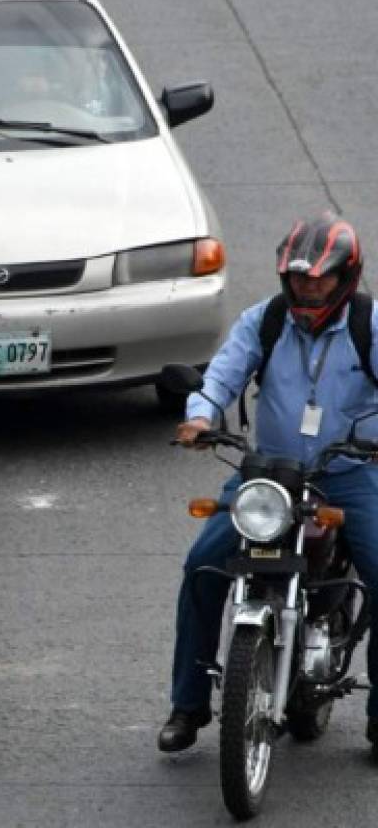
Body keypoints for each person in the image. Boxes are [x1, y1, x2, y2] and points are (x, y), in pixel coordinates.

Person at [159, 212, 378, 752]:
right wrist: (201, 416)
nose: (308, 286)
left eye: (319, 277)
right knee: (202, 567)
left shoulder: (369, 327)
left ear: (345, 276)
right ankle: (188, 705)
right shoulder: (266, 320)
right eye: (299, 277)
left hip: (349, 474)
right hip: (270, 476)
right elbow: (222, 375)